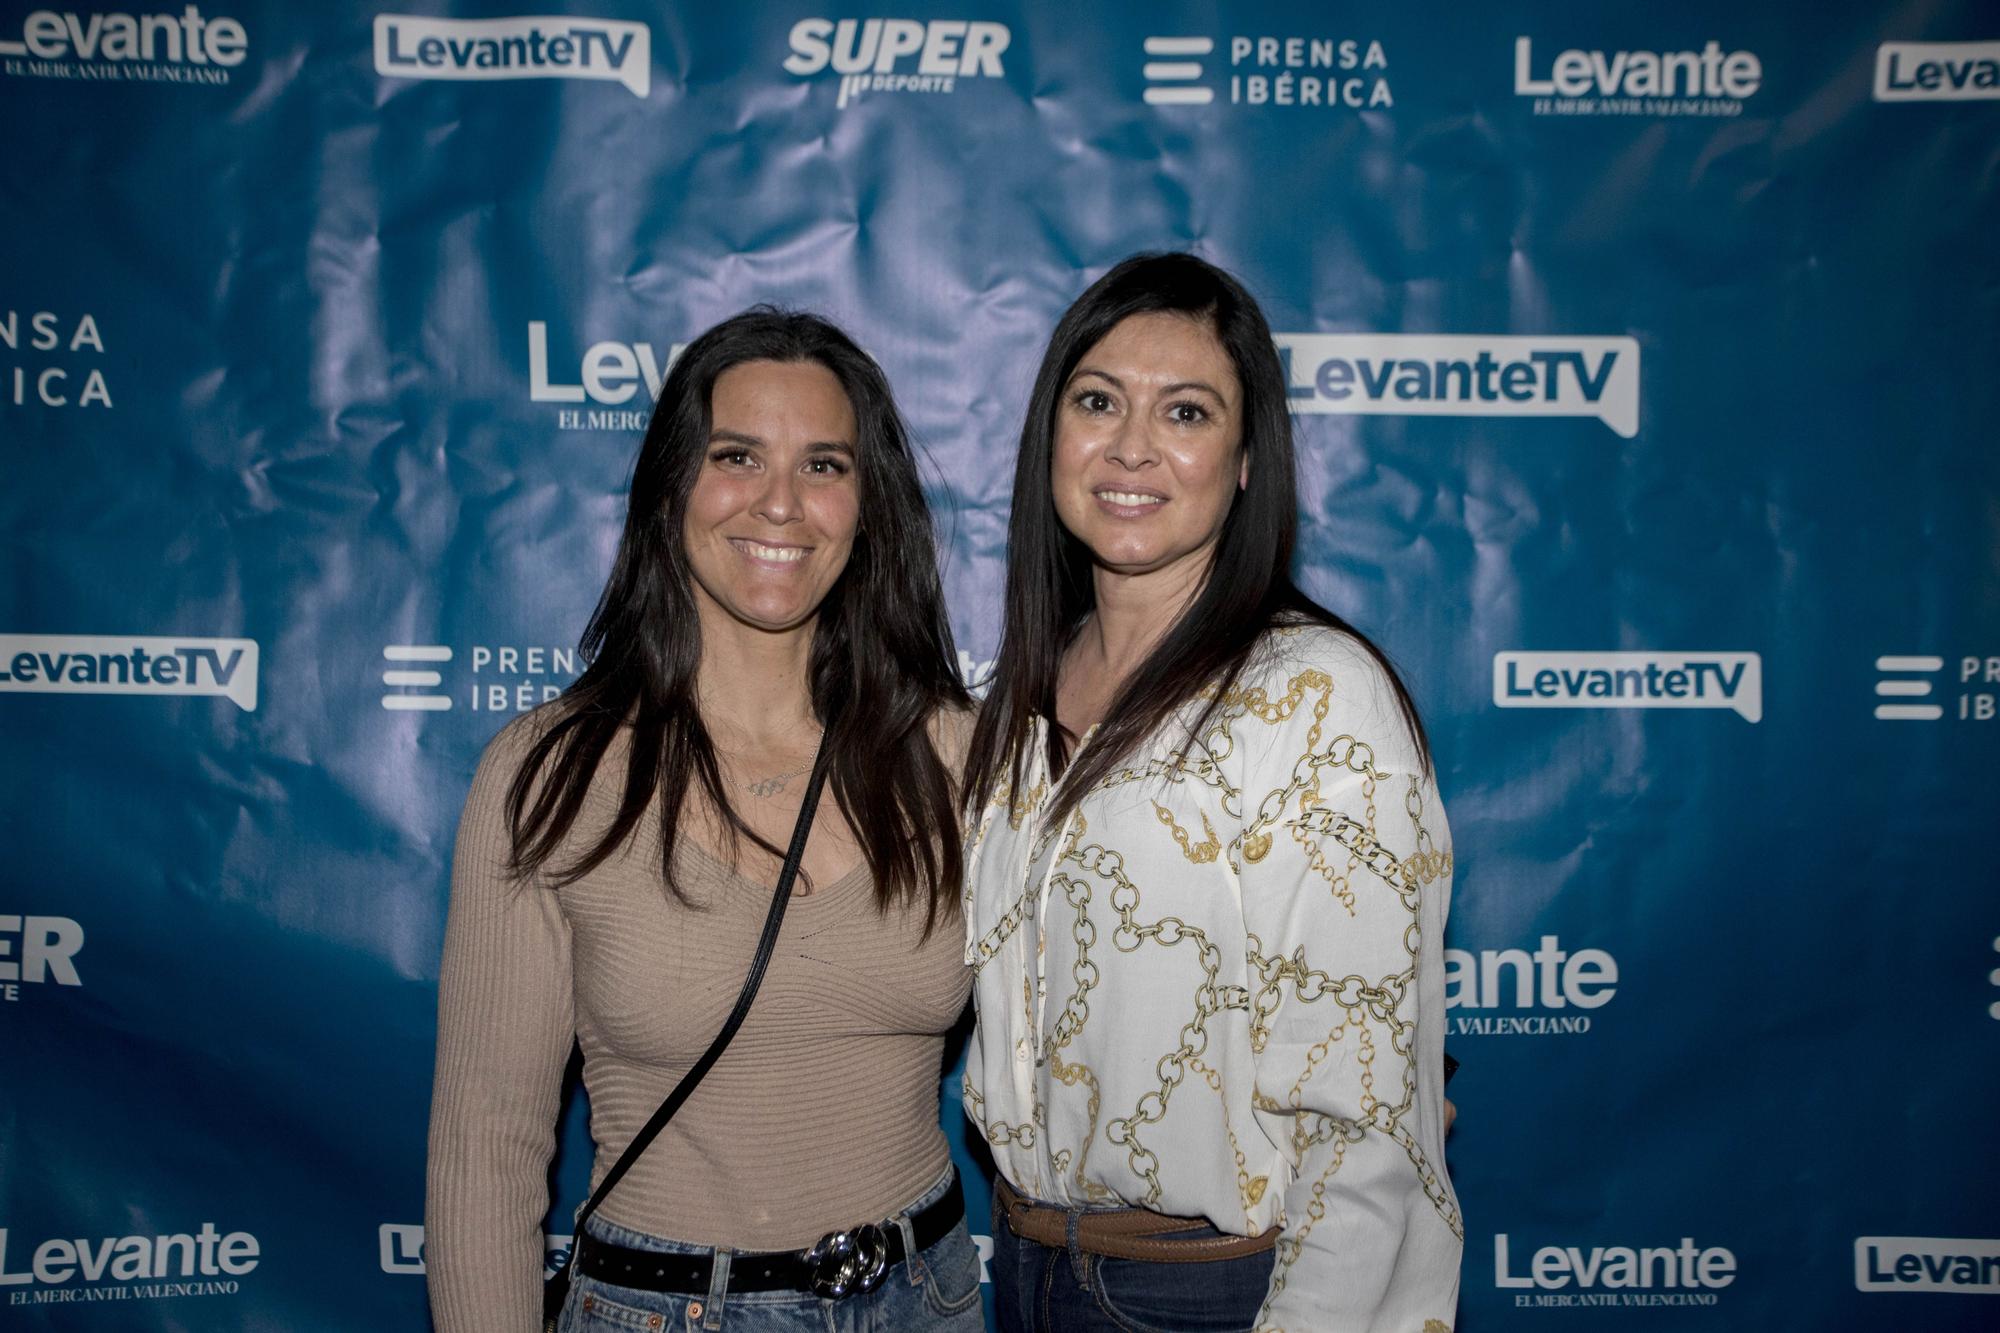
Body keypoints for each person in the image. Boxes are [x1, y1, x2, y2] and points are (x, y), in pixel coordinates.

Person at [425, 309, 986, 1332]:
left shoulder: (956, 753)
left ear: (868, 508)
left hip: (924, 1300)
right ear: (672, 486)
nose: (780, 503)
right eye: (737, 457)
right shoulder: (551, 774)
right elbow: (485, 1144)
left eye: (823, 465)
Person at [960, 253, 1461, 1332]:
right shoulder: (1006, 698)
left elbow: (1364, 1112)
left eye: (1184, 411)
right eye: (1096, 401)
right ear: (1051, 432)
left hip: (1210, 1292)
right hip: (1024, 1268)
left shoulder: (1315, 696)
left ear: (1243, 460)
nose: (1131, 446)